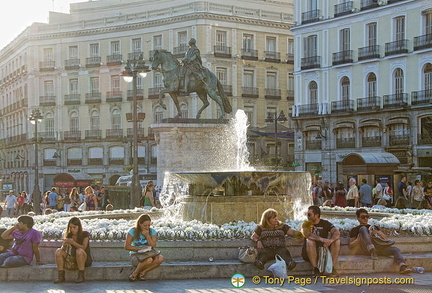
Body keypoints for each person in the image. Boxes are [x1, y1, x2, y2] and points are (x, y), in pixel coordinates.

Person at [349, 208, 411, 274]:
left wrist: (377, 233)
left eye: (367, 217)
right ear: (358, 218)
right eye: (363, 217)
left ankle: (402, 266)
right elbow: (351, 245)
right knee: (363, 229)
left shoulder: (374, 227)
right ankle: (372, 249)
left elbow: (385, 239)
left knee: (396, 249)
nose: (365, 218)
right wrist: (358, 240)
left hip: (379, 248)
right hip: (367, 249)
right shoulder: (354, 230)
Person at [301, 205, 340, 276]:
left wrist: (331, 240)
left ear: (316, 215)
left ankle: (332, 267)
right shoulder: (306, 224)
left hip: (323, 251)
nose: (308, 216)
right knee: (310, 241)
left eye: (309, 214)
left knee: (337, 241)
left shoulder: (325, 223)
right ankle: (315, 269)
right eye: (307, 214)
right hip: (309, 252)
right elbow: (307, 235)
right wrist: (322, 239)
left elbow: (336, 232)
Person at [124, 214, 164, 281]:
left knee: (160, 258)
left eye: (149, 225)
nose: (147, 227)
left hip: (148, 253)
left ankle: (143, 272)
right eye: (145, 225)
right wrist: (140, 248)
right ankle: (134, 274)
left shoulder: (152, 231)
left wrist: (147, 235)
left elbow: (153, 245)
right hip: (136, 254)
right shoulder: (132, 231)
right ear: (140, 224)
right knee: (149, 260)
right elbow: (126, 246)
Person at [54, 217, 92, 283]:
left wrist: (73, 243)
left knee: (79, 251)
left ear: (79, 227)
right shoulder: (69, 235)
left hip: (84, 258)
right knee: (58, 251)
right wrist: (64, 244)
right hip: (73, 258)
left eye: (74, 227)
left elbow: (83, 248)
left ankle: (81, 276)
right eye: (71, 227)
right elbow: (63, 250)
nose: (72, 229)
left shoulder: (85, 234)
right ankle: (61, 276)